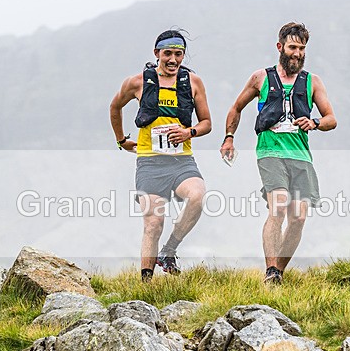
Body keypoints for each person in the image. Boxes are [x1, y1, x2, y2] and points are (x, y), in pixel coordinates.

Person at [220, 22, 337, 284]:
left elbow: (331, 119)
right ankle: (270, 270)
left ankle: (277, 274)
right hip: (269, 151)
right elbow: (235, 108)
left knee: (298, 217)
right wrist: (229, 138)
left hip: (301, 156)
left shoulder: (313, 82)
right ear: (280, 47)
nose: (297, 53)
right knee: (280, 205)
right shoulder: (260, 78)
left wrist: (314, 122)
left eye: (302, 49)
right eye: (293, 47)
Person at [110, 30, 212, 282]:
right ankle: (146, 283)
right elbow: (114, 107)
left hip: (181, 161)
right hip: (149, 163)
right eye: (167, 54)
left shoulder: (193, 83)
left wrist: (189, 132)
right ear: (157, 54)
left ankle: (169, 251)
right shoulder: (137, 83)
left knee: (197, 195)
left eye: (178, 54)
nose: (173, 60)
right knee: (153, 224)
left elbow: (207, 123)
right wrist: (122, 140)